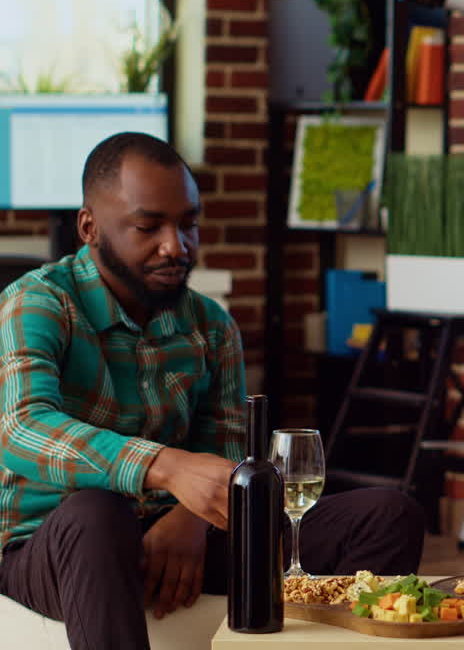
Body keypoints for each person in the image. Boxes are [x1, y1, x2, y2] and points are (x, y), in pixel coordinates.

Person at [0, 132, 426, 650]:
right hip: (49, 544)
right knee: (99, 512)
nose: (176, 246)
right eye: (148, 225)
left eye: (188, 224)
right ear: (89, 227)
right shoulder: (38, 302)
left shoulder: (211, 326)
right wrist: (167, 467)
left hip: (177, 534)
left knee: (388, 514)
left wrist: (189, 522)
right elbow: (23, 425)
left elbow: (224, 447)